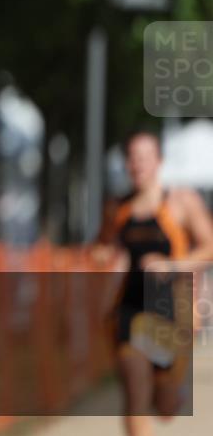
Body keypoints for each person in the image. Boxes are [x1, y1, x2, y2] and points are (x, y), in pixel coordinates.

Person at [94, 131, 213, 436]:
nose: (138, 165)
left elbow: (209, 247)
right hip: (129, 310)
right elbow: (100, 246)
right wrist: (102, 257)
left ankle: (172, 395)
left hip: (171, 314)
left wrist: (172, 266)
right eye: (132, 158)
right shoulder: (117, 208)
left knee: (165, 405)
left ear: (158, 161)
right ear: (127, 164)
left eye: (144, 157)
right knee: (135, 394)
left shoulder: (181, 202)